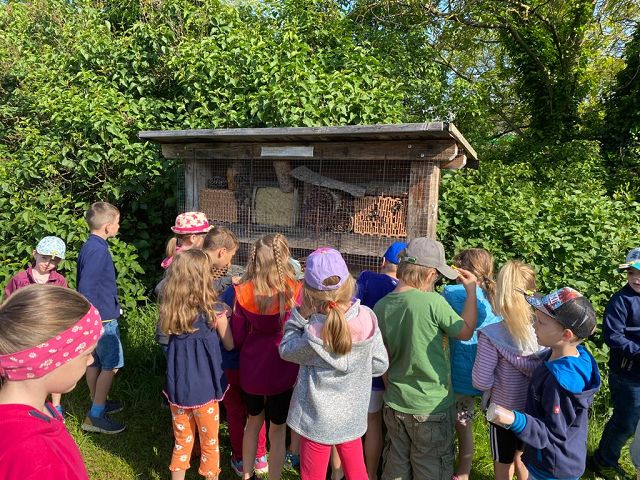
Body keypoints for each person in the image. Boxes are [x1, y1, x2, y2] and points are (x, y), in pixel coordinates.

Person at [280, 247, 389, 480]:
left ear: (309, 292)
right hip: (352, 418)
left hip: (317, 421)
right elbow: (380, 365)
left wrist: (299, 315)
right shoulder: (368, 318)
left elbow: (286, 349)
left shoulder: (312, 332)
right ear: (349, 282)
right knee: (358, 473)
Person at [373, 237, 478, 479]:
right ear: (430, 274)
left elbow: (382, 359)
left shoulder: (381, 306)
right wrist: (471, 293)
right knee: (431, 467)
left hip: (396, 402)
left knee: (396, 465)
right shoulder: (433, 302)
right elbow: (465, 332)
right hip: (432, 407)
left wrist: (392, 390)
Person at [489, 287, 601, 480]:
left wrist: (514, 419)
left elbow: (552, 433)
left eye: (541, 322)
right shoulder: (575, 355)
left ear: (566, 335)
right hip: (554, 458)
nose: (534, 325)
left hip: (552, 467)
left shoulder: (560, 383)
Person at [0, 285, 102, 479]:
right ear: (49, 361)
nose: (91, 361)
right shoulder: (38, 460)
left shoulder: (37, 411)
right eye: (87, 353)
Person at [231, 233, 301, 480]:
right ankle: (274, 477)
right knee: (278, 431)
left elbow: (238, 337)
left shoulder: (242, 291)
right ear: (284, 257)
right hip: (283, 369)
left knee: (253, 422)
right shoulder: (294, 291)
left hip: (252, 369)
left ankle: (247, 475)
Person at [159, 249, 234, 480]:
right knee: (210, 443)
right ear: (204, 279)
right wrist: (227, 316)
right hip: (206, 392)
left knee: (182, 442)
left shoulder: (171, 313)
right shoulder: (215, 313)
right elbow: (230, 344)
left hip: (178, 390)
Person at [203, 228, 269, 477]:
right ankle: (260, 456)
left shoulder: (234, 291)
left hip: (229, 362)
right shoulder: (269, 293)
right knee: (256, 411)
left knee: (234, 410)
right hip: (255, 363)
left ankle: (240, 457)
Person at [472, 261, 544, 480]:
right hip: (533, 412)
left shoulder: (491, 335)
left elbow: (481, 381)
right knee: (524, 459)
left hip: (501, 412)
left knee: (502, 463)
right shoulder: (545, 333)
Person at [442, 248, 501, 480]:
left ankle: (441, 467)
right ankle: (464, 473)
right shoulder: (494, 299)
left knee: (444, 426)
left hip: (451, 377)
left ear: (461, 270)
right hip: (479, 376)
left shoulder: (451, 293)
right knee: (465, 425)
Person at [355, 240, 406, 480]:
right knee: (374, 421)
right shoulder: (404, 292)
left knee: (348, 422)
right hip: (384, 365)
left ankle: (338, 472)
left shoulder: (367, 278)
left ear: (383, 261)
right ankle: (371, 473)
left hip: (358, 363)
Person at [3, 235, 69, 416]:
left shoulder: (59, 281)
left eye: (54, 260)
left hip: (50, 330)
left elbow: (63, 304)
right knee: (26, 366)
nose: (48, 263)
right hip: (24, 331)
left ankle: (56, 405)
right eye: (44, 257)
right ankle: (27, 402)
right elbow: (8, 302)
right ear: (35, 254)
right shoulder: (20, 279)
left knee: (54, 366)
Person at [589, 247, 640, 478]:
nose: (636, 278)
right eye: (631, 273)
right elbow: (613, 336)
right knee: (625, 422)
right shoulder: (621, 301)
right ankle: (603, 460)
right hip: (628, 375)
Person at [77, 201, 125, 434]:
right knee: (112, 365)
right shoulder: (98, 250)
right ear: (107, 226)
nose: (118, 226)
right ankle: (95, 415)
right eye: (117, 223)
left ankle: (99, 400)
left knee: (94, 362)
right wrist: (93, 318)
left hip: (96, 318)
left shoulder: (90, 246)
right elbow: (86, 287)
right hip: (103, 320)